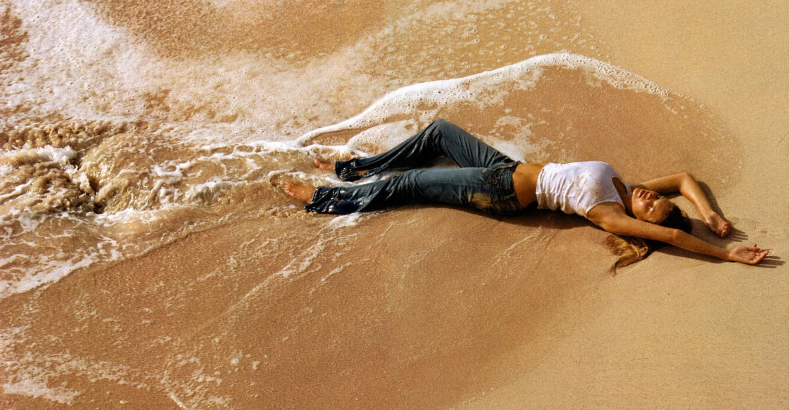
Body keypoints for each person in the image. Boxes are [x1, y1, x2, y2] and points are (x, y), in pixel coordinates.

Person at [282, 119, 770, 271]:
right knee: (438, 133)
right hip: (506, 168)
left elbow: (676, 239)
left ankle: (324, 200)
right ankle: (353, 168)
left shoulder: (609, 214)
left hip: (499, 193)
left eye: (649, 204)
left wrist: (725, 253)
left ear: (643, 221)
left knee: (412, 185)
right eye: (654, 198)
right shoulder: (622, 186)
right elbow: (685, 177)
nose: (647, 193)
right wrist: (709, 214)